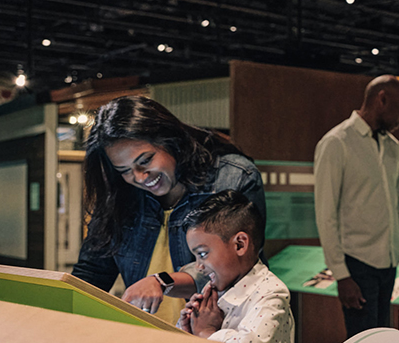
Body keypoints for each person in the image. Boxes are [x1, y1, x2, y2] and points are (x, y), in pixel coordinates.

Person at [72, 95, 266, 325]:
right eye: (124, 170)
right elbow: (93, 271)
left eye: (145, 160)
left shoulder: (233, 176)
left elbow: (233, 266)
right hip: (147, 338)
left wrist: (162, 281)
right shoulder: (120, 194)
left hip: (220, 336)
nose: (139, 177)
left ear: (170, 141)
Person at [314, 74, 399, 337]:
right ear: (382, 99)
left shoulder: (394, 147)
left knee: (382, 340)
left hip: (389, 263)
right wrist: (341, 275)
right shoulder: (336, 143)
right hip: (356, 266)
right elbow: (326, 215)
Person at [178, 191, 295, 343]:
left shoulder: (271, 292)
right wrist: (188, 329)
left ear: (240, 244)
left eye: (203, 253)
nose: (198, 266)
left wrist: (207, 332)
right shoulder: (213, 287)